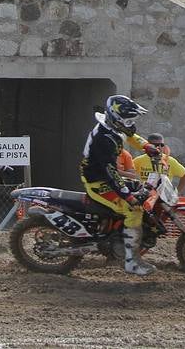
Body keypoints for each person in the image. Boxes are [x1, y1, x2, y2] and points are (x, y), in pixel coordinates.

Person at [79, 94, 160, 276]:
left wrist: (146, 146)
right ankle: (131, 262)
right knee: (134, 209)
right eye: (128, 120)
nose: (131, 123)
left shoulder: (114, 127)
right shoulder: (103, 139)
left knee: (140, 188)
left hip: (107, 174)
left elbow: (130, 135)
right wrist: (127, 196)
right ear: (117, 119)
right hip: (98, 181)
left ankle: (121, 235)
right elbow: (111, 173)